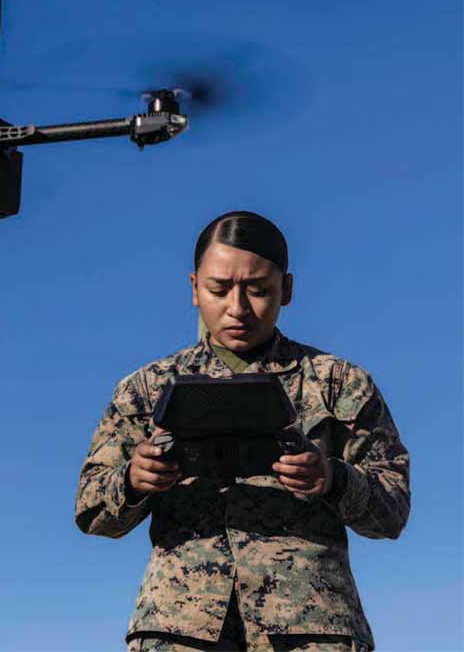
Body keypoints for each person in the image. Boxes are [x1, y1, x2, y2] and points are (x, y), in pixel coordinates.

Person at [74, 211, 410, 652]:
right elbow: (91, 511)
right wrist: (133, 480)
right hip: (179, 631)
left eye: (258, 290)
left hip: (312, 630)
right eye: (218, 289)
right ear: (194, 288)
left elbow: (393, 510)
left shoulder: (339, 384)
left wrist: (333, 479)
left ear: (287, 289)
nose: (238, 308)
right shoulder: (147, 388)